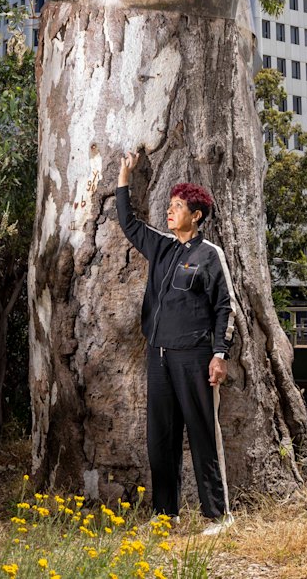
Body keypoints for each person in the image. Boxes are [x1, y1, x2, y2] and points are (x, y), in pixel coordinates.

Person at [116, 152, 237, 535]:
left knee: (203, 434)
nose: (170, 211)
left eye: (178, 206)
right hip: (160, 357)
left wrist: (219, 354)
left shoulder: (210, 255)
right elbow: (128, 222)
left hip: (196, 358)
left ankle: (217, 515)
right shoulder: (162, 246)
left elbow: (225, 306)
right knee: (161, 438)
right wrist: (124, 176)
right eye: (169, 206)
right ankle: (165, 513)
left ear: (196, 214)